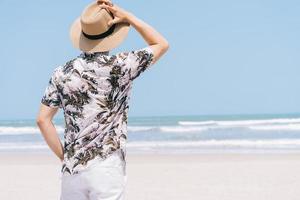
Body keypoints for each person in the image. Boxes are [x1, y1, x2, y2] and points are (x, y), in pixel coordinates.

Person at [36, 0, 169, 199]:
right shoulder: (121, 66)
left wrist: (66, 157)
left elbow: (42, 120)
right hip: (107, 166)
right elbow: (161, 43)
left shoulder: (61, 73)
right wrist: (128, 17)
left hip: (72, 169)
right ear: (112, 35)